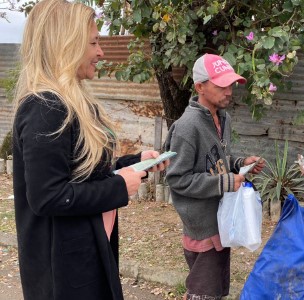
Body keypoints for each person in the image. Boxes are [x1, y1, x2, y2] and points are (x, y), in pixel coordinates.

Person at [12, 0, 169, 299]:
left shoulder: (70, 103)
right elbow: (48, 196)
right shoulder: (46, 109)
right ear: (66, 44)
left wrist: (133, 165)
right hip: (63, 275)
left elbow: (81, 171)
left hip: (83, 257)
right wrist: (119, 187)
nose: (101, 53)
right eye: (94, 42)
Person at [165, 53, 265, 300]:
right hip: (202, 227)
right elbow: (177, 179)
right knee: (203, 294)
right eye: (222, 85)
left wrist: (240, 164)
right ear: (200, 86)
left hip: (221, 220)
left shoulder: (223, 118)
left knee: (216, 291)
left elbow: (216, 162)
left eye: (231, 84)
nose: (229, 91)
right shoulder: (187, 127)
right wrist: (225, 182)